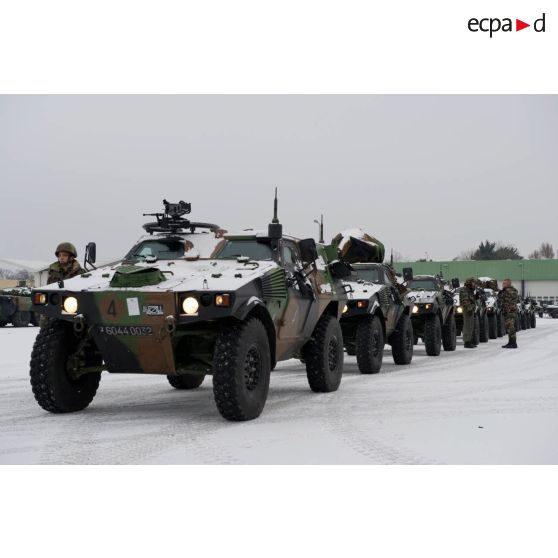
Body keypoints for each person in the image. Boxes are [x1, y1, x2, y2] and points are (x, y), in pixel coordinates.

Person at [498, 278, 519, 349]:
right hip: (508, 311)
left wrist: (502, 292)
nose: (503, 284)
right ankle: (510, 342)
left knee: (510, 326)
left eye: (505, 283)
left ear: (509, 284)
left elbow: (506, 299)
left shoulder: (510, 291)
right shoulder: (507, 291)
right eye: (503, 283)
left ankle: (513, 343)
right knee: (509, 326)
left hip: (510, 311)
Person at [460, 277, 477, 348]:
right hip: (467, 309)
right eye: (473, 283)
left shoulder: (470, 290)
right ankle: (466, 342)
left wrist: (475, 297)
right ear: (469, 283)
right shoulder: (464, 290)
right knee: (467, 326)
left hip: (471, 309)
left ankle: (469, 340)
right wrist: (469, 309)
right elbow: (465, 301)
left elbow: (471, 299)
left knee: (470, 326)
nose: (474, 284)